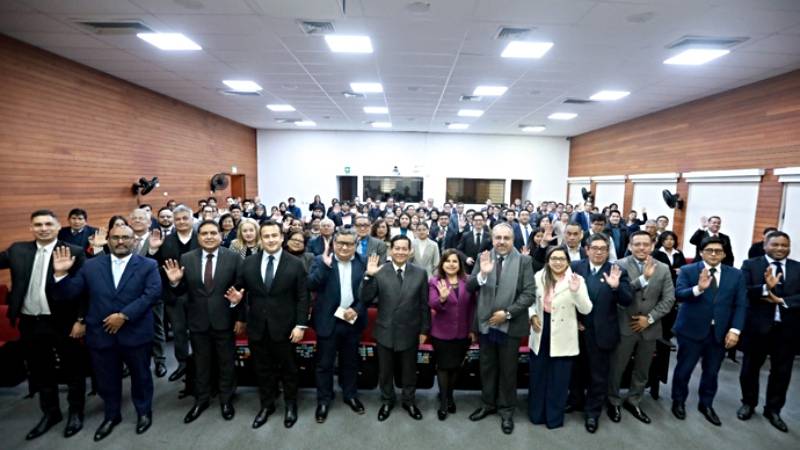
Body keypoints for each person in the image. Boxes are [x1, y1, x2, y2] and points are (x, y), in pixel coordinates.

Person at [53, 225, 160, 441]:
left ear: (134, 241)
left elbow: (152, 294)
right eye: (115, 237)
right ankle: (112, 415)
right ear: (108, 241)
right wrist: (61, 274)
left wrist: (124, 315)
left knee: (141, 376)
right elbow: (70, 294)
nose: (120, 241)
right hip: (101, 335)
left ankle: (143, 412)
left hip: (135, 332)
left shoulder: (148, 265)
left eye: (125, 237)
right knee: (106, 379)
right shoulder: (90, 265)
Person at [1, 210, 87, 440]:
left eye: (49, 224)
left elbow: (85, 291)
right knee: (41, 370)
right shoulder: (17, 250)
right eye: (38, 224)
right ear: (31, 228)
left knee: (73, 370)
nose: (43, 228)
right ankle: (51, 413)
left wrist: (81, 320)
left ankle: (76, 412)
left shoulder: (74, 251)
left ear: (59, 227)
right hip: (30, 322)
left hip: (63, 323)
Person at [163, 220, 246, 424]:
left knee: (226, 362)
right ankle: (201, 399)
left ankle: (226, 399)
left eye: (213, 233)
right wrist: (175, 282)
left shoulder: (234, 258)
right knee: (201, 363)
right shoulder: (187, 258)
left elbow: (241, 290)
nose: (209, 237)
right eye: (204, 233)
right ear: (198, 237)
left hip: (224, 320)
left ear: (220, 236)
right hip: (197, 321)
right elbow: (181, 291)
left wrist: (239, 315)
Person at [230, 221, 310, 429]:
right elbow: (239, 293)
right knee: (262, 369)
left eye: (274, 235)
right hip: (257, 327)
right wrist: (236, 303)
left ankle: (290, 405)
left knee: (289, 369)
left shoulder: (295, 264)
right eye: (266, 236)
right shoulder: (248, 263)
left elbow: (303, 297)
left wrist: (300, 325)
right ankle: (267, 405)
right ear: (261, 239)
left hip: (286, 328)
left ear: (282, 238)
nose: (271, 240)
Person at [467, 223, 536, 435]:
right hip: (486, 323)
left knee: (508, 370)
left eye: (506, 238)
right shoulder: (483, 258)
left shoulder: (524, 261)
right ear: (492, 238)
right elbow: (470, 286)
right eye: (498, 238)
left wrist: (506, 313)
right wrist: (483, 274)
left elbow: (529, 294)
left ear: (513, 240)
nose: (502, 242)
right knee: (487, 367)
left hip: (510, 325)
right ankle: (488, 403)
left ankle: (506, 410)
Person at [671, 236, 747, 426]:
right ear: (701, 252)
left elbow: (741, 304)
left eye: (718, 251)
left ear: (724, 254)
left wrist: (735, 330)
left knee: (712, 372)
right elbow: (679, 294)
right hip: (691, 330)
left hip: (719, 333)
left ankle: (706, 404)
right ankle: (678, 401)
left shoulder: (736, 275)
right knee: (684, 369)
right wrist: (698, 288)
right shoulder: (688, 270)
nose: (714, 254)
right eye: (709, 250)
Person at [607, 231, 675, 424]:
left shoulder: (663, 268)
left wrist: (650, 318)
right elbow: (619, 294)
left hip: (650, 328)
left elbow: (669, 299)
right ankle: (613, 400)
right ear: (630, 246)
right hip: (624, 325)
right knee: (617, 367)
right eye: (637, 244)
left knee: (642, 369)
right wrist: (644, 278)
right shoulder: (618, 265)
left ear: (652, 246)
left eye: (646, 244)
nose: (641, 248)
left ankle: (634, 400)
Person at [360, 235, 430, 422]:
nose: (400, 252)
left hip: (410, 330)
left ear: (410, 251)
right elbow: (365, 298)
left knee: (409, 370)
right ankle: (387, 400)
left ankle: (409, 401)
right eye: (396, 248)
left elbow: (424, 304)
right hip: (385, 330)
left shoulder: (420, 273)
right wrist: (368, 276)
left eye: (404, 248)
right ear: (390, 250)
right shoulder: (380, 271)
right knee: (385, 371)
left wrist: (424, 330)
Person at [568, 233, 633, 434]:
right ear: (587, 249)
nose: (598, 252)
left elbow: (627, 300)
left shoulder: (617, 270)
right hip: (576, 331)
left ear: (608, 251)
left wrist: (616, 288)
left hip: (602, 333)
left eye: (603, 249)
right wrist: (574, 319)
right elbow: (565, 296)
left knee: (598, 376)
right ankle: (576, 401)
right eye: (594, 248)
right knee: (576, 371)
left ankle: (592, 412)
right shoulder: (575, 267)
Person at [738, 231, 798, 432]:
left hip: (787, 330)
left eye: (784, 245)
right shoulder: (750, 265)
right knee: (750, 368)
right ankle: (748, 403)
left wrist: (781, 300)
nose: (780, 248)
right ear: (765, 246)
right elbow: (744, 290)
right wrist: (765, 287)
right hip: (757, 328)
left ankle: (773, 410)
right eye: (775, 244)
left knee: (782, 372)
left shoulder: (797, 267)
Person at [306, 228, 368, 423]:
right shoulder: (320, 260)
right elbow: (311, 285)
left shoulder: (364, 262)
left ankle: (350, 395)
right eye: (340, 243)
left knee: (350, 362)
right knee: (324, 364)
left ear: (355, 245)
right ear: (333, 243)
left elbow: (370, 292)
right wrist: (325, 267)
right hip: (327, 320)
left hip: (352, 320)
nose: (344, 247)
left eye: (349, 244)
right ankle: (324, 400)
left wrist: (357, 309)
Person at [528, 246, 592, 429]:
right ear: (548, 261)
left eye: (561, 259)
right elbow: (530, 301)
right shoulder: (539, 277)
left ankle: (554, 418)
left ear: (568, 261)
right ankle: (537, 414)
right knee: (538, 375)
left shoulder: (577, 279)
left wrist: (576, 292)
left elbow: (586, 309)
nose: (557, 262)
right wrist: (532, 315)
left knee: (559, 378)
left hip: (564, 332)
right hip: (541, 328)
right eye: (554, 258)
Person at [147, 205, 197, 382]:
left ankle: (199, 366)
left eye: (185, 218)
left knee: (199, 333)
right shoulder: (165, 241)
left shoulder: (202, 237)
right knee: (178, 331)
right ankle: (182, 364)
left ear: (192, 219)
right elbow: (152, 266)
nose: (181, 222)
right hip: (173, 294)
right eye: (178, 219)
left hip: (198, 294)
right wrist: (152, 251)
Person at [428, 249, 476, 420]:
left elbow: (473, 307)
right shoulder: (435, 281)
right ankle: (443, 403)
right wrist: (441, 298)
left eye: (454, 261)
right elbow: (432, 303)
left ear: (459, 264)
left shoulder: (468, 281)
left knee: (456, 367)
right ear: (442, 264)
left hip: (463, 332)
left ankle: (449, 396)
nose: (451, 264)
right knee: (443, 367)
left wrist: (473, 329)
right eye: (447, 261)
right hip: (441, 333)